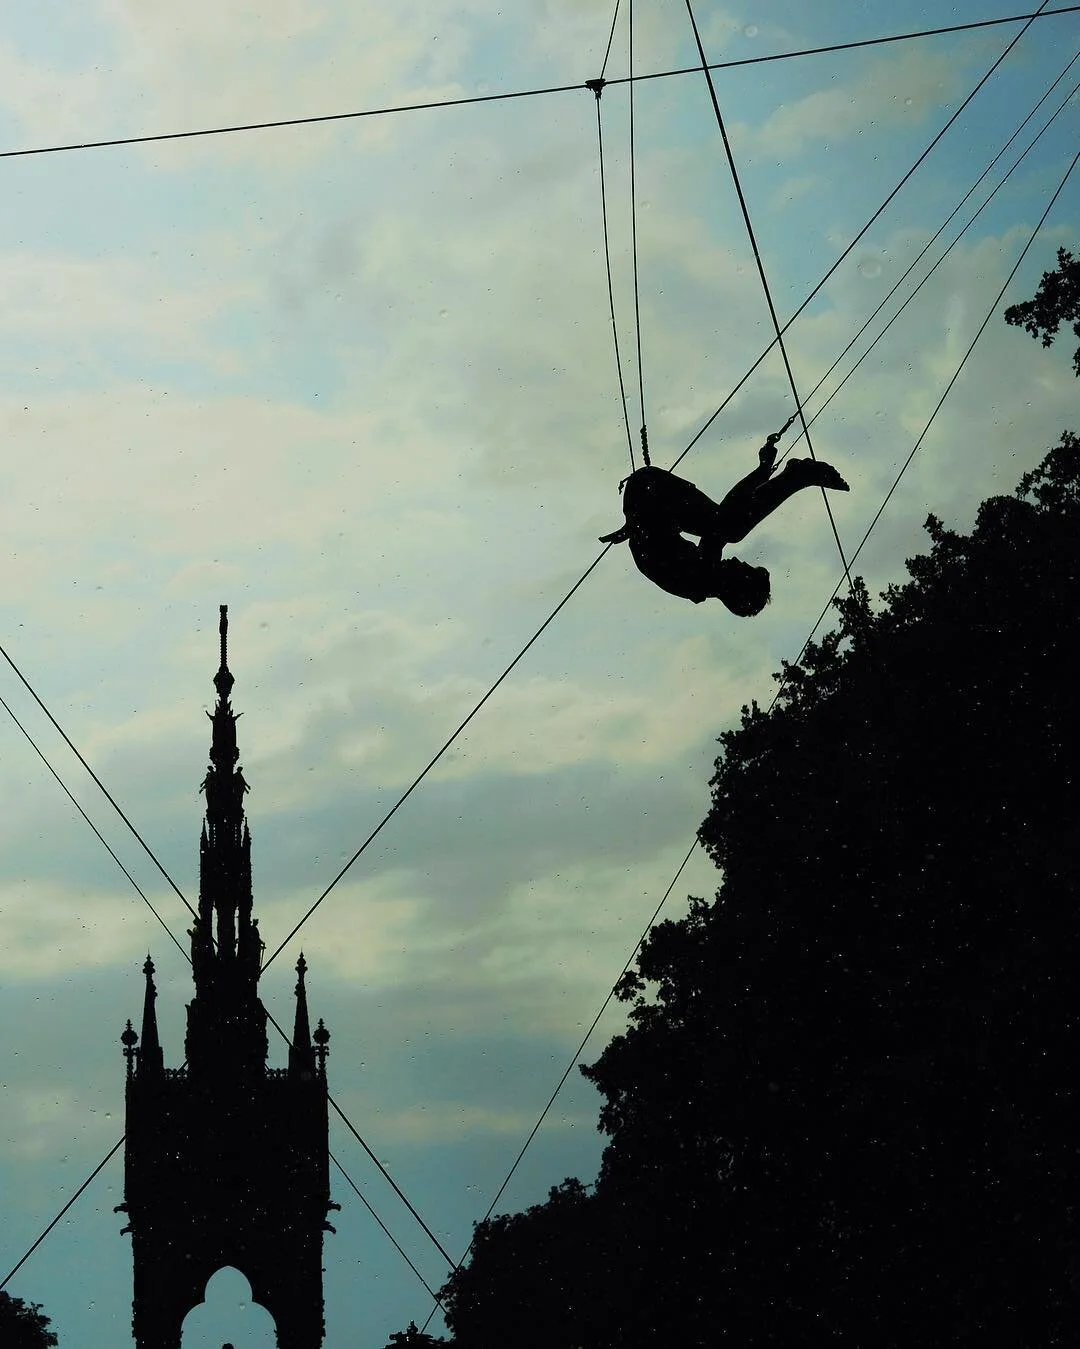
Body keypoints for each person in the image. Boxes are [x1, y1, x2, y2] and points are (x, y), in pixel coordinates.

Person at [599, 422, 849, 615]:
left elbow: (724, 524)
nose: (738, 560)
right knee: (728, 526)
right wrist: (761, 473)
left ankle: (796, 476)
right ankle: (795, 477)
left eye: (742, 569)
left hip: (650, 495)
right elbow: (725, 516)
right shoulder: (700, 581)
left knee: (731, 529)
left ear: (735, 587)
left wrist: (762, 473)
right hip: (651, 499)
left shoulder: (702, 576)